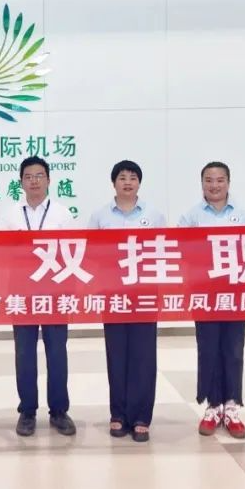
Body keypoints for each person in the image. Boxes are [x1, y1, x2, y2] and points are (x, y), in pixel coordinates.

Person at [179, 161, 245, 439]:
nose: (214, 185)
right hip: (205, 292)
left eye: (220, 180)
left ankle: (232, 406)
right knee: (208, 348)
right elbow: (183, 252)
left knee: (234, 349)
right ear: (202, 183)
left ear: (228, 182)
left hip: (237, 292)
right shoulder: (190, 217)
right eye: (209, 180)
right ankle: (212, 406)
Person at [88, 160, 165, 443]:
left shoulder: (154, 215)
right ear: (114, 183)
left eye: (133, 177)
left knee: (144, 356)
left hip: (145, 293)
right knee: (117, 354)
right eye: (122, 177)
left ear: (139, 183)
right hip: (113, 294)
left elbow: (162, 252)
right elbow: (92, 253)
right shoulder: (100, 216)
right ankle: (118, 414)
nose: (128, 182)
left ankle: (142, 416)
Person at [2, 156, 77, 437]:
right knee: (24, 353)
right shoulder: (9, 215)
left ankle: (59, 411)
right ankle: (27, 411)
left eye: (39, 176)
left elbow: (72, 253)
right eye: (28, 176)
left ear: (48, 180)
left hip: (55, 292)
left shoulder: (63, 214)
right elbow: (0, 253)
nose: (34, 181)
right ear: (21, 182)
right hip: (21, 292)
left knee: (57, 352)